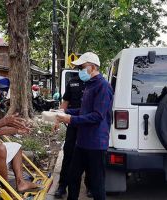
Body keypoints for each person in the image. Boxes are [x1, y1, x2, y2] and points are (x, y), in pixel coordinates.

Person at [57, 52, 113, 200]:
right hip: (82, 142)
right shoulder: (89, 85)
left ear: (93, 67)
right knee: (73, 177)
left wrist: (71, 119)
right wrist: (64, 111)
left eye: (82, 67)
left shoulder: (103, 86)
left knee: (97, 184)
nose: (80, 70)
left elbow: (97, 116)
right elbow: (83, 110)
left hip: (95, 143)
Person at [54, 74, 92, 198]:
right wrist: (57, 120)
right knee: (68, 154)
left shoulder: (95, 83)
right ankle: (62, 185)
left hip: (88, 125)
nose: (82, 70)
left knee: (89, 157)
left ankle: (89, 186)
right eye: (80, 67)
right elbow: (65, 102)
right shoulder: (72, 82)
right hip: (72, 123)